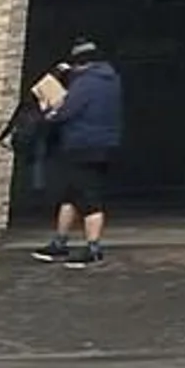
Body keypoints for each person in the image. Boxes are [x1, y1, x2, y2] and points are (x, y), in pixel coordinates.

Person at [31, 40, 124, 265]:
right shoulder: (110, 79)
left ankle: (93, 248)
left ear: (80, 63)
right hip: (102, 144)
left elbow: (66, 111)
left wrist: (48, 111)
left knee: (88, 196)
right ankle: (60, 243)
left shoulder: (86, 83)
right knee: (71, 194)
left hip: (83, 145)